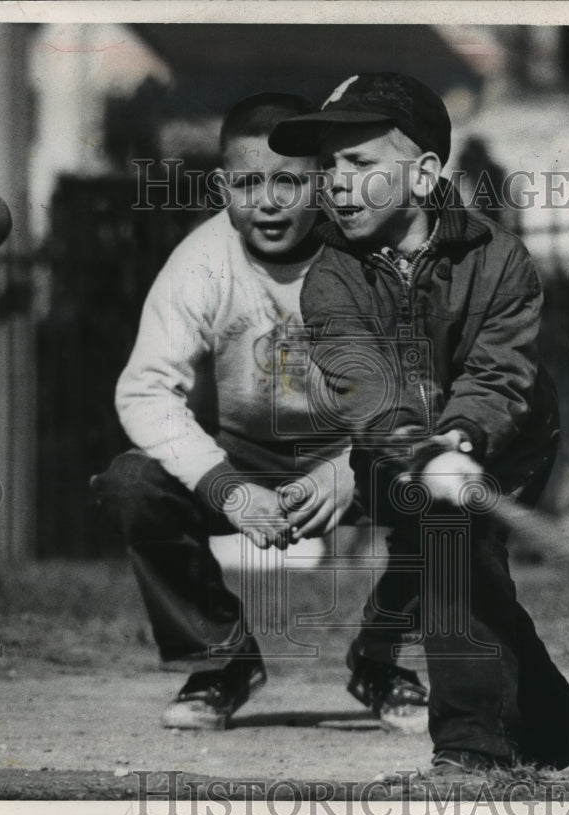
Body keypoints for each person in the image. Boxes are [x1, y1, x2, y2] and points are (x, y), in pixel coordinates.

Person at [269, 72, 569, 775]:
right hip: (397, 440)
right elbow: (362, 380)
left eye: (359, 164)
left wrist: (463, 436)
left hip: (510, 440)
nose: (336, 184)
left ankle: (471, 748)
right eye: (327, 168)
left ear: (424, 174)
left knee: (454, 541)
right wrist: (417, 443)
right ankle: (550, 720)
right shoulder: (331, 277)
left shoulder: (500, 261)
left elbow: (502, 373)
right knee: (463, 565)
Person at [91, 93, 428, 732]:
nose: (267, 201)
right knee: (132, 482)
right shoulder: (200, 261)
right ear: (223, 186)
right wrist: (227, 487)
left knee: (440, 485)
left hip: (352, 460)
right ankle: (221, 660)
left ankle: (386, 660)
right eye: (248, 183)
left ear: (323, 182)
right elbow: (145, 390)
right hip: (242, 464)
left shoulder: (369, 254)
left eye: (288, 183)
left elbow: (423, 385)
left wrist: (353, 468)